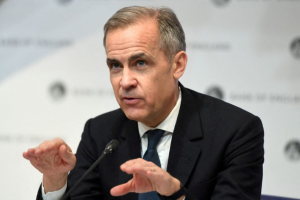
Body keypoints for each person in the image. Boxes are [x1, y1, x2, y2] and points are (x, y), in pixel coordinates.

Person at [23, 6, 264, 200]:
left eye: (140, 63)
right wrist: (56, 180)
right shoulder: (100, 133)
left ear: (177, 65)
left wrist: (175, 195)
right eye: (115, 65)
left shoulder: (235, 131)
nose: (125, 81)